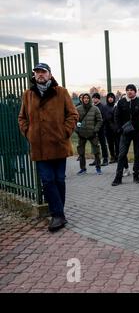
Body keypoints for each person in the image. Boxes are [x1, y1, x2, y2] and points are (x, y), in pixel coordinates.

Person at [18, 63, 79, 232]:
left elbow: (73, 114)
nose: (40, 75)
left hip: (58, 145)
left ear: (50, 74)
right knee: (47, 180)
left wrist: (64, 132)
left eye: (43, 72)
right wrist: (29, 133)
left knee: (59, 179)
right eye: (37, 72)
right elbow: (22, 118)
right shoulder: (28, 95)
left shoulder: (61, 92)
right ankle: (57, 215)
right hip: (39, 148)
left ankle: (59, 213)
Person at [111, 84, 139, 186]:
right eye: (128, 90)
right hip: (125, 133)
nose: (129, 92)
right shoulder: (121, 102)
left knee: (137, 155)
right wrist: (119, 129)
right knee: (121, 155)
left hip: (138, 133)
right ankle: (118, 177)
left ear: (135, 92)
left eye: (131, 90)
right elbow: (116, 116)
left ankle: (136, 176)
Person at [75, 93, 103, 175]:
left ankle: (98, 168)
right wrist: (77, 131)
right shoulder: (77, 109)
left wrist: (95, 130)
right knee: (81, 152)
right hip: (81, 134)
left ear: (89, 99)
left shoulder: (95, 109)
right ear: (82, 99)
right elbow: (74, 121)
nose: (86, 99)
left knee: (96, 152)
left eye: (87, 98)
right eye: (84, 98)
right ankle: (83, 169)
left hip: (92, 134)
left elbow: (100, 120)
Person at [91, 92, 109, 166]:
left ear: (98, 99)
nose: (94, 99)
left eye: (96, 98)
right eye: (93, 98)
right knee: (94, 144)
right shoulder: (91, 107)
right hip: (93, 129)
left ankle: (105, 159)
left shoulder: (102, 107)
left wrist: (99, 125)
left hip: (101, 129)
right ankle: (96, 159)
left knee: (103, 144)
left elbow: (104, 118)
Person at [104, 92, 118, 163]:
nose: (110, 99)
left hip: (116, 129)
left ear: (114, 98)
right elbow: (105, 118)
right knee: (110, 144)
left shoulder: (116, 106)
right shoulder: (105, 107)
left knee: (117, 143)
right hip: (108, 129)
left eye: (112, 97)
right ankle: (112, 156)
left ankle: (117, 157)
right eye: (109, 97)